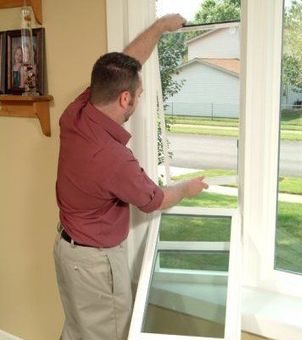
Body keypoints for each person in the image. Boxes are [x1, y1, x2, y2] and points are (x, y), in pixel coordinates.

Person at [54, 14, 208, 340]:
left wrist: (157, 29)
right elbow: (155, 199)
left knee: (77, 331)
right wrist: (187, 188)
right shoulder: (113, 159)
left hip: (68, 252)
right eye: (138, 94)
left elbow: (124, 66)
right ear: (126, 99)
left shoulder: (76, 114)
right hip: (95, 267)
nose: (138, 99)